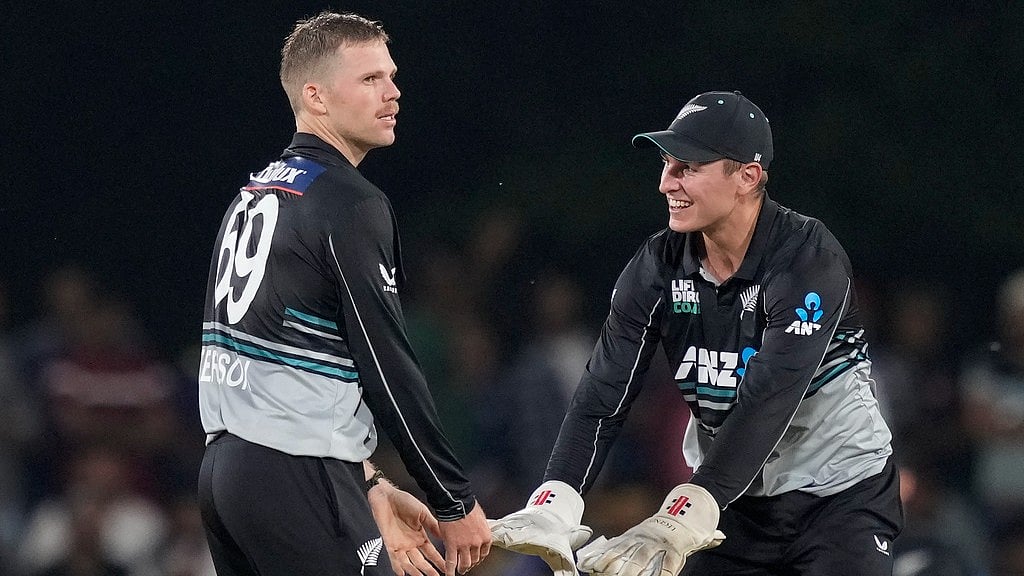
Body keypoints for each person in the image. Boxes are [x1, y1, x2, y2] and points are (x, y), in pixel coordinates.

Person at [488, 91, 902, 576]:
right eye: (666, 164)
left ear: (748, 176)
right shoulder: (657, 265)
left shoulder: (808, 259)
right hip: (732, 504)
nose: (666, 183)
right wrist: (558, 496)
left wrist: (690, 507)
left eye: (688, 167)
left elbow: (769, 399)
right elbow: (604, 393)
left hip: (838, 498)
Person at [196, 11, 490, 576]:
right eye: (370, 79)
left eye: (392, 75)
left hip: (224, 474)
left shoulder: (254, 193)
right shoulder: (349, 202)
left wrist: (369, 480)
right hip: (296, 475)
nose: (394, 92)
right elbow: (386, 365)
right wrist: (452, 498)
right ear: (316, 96)